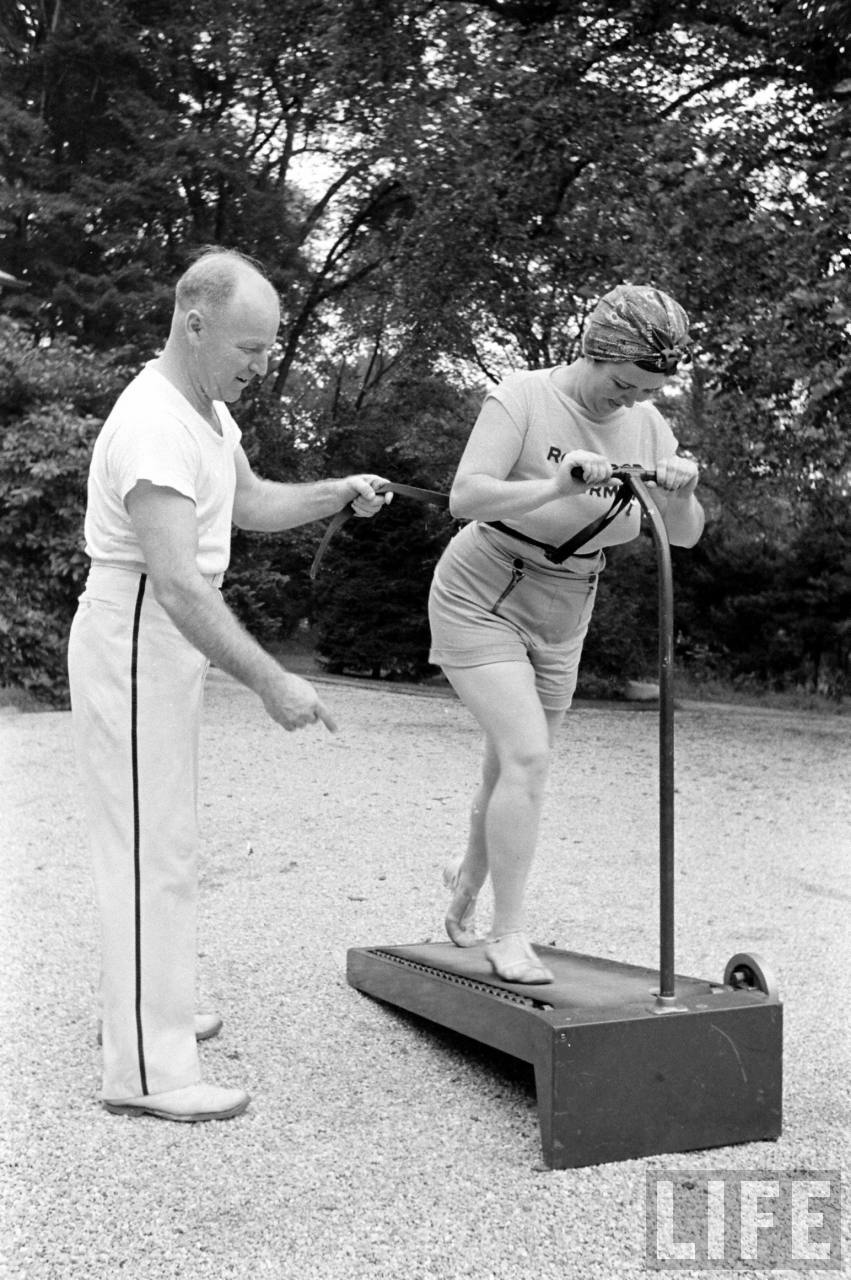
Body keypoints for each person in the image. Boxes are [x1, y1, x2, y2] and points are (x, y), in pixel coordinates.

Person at [68, 247, 390, 1122]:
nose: (261, 365)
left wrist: (337, 491)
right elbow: (176, 582)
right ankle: (144, 1071)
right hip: (137, 630)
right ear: (194, 322)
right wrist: (270, 679)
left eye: (268, 347)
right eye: (250, 348)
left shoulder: (206, 412)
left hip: (158, 639)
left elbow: (247, 504)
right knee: (147, 849)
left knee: (166, 839)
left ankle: (156, 1010)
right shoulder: (151, 425)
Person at [428, 284, 705, 985]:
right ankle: (510, 934)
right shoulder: (522, 397)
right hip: (483, 587)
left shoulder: (644, 426)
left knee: (506, 763)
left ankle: (466, 879)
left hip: (568, 603)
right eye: (622, 383)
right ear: (595, 351)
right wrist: (555, 487)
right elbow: (465, 495)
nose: (630, 399)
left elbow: (685, 537)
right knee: (527, 756)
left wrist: (681, 491)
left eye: (647, 389)